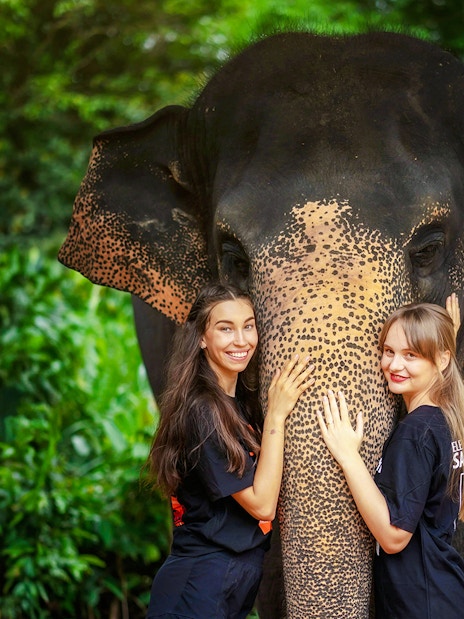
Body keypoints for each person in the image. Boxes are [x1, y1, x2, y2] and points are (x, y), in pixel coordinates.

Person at [145, 282, 315, 619]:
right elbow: (262, 505)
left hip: (231, 582)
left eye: (248, 326)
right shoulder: (201, 411)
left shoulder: (238, 406)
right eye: (225, 329)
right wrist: (278, 414)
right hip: (198, 584)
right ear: (201, 338)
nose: (241, 340)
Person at [317, 294, 464, 618]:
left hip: (420, 603)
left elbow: (394, 535)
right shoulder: (446, 420)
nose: (393, 365)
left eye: (410, 354)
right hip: (441, 591)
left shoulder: (416, 431)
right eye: (388, 351)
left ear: (441, 359)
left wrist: (348, 456)